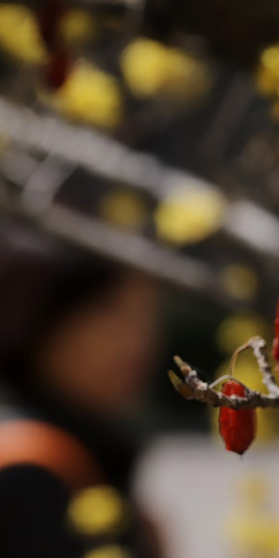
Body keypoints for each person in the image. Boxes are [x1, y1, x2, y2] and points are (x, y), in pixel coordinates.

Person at [0, 217, 165, 557]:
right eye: (109, 310)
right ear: (42, 314)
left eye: (148, 313)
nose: (138, 341)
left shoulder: (91, 454)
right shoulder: (27, 472)